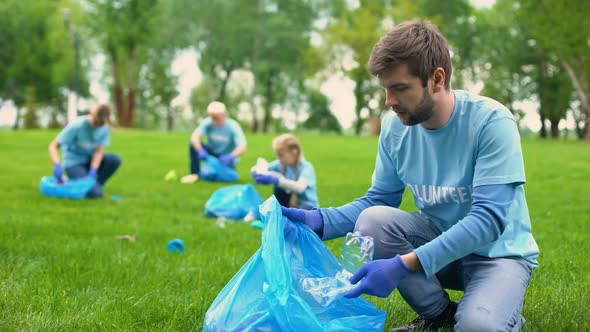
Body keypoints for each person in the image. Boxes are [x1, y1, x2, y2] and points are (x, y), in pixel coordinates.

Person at [281, 20, 539, 332]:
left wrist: (404, 264)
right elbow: (378, 200)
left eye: (400, 88)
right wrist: (318, 222)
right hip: (440, 245)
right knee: (374, 219)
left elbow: (488, 220)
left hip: (498, 255)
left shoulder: (491, 122)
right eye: (386, 89)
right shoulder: (394, 128)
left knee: (478, 326)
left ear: (437, 79)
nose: (389, 101)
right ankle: (439, 314)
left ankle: (493, 308)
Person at [49, 103, 122, 198]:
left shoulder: (104, 128)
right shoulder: (76, 126)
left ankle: (96, 186)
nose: (97, 127)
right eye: (96, 123)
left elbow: (99, 151)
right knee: (96, 194)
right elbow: (54, 146)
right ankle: (70, 182)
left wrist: (93, 170)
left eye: (101, 124)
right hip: (73, 163)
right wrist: (57, 165)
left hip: (89, 161)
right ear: (91, 115)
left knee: (115, 159)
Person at [181, 101, 247, 183]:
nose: (214, 119)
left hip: (227, 155)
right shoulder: (208, 122)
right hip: (212, 152)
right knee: (193, 145)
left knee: (224, 175)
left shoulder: (233, 126)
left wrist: (231, 156)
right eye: (212, 117)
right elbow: (195, 138)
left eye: (216, 117)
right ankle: (195, 174)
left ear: (224, 114)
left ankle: (227, 168)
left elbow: (243, 146)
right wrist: (200, 151)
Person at [252, 133, 319, 210]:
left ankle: (284, 214)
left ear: (294, 151)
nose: (279, 158)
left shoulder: (307, 168)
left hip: (307, 206)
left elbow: (300, 188)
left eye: (281, 155)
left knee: (279, 181)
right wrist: (258, 172)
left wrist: (276, 180)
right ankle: (280, 211)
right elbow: (260, 166)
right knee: (279, 188)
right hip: (290, 204)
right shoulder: (281, 164)